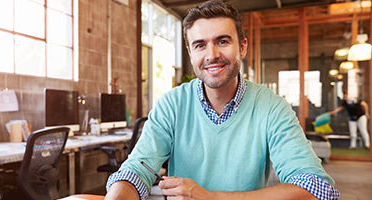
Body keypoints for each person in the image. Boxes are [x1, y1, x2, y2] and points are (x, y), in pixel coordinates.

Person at [105, 1, 340, 199]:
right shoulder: (172, 104)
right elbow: (135, 170)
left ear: (243, 47)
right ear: (191, 53)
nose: (212, 55)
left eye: (222, 41)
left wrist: (210, 196)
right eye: (200, 45)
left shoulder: (271, 107)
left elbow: (318, 188)